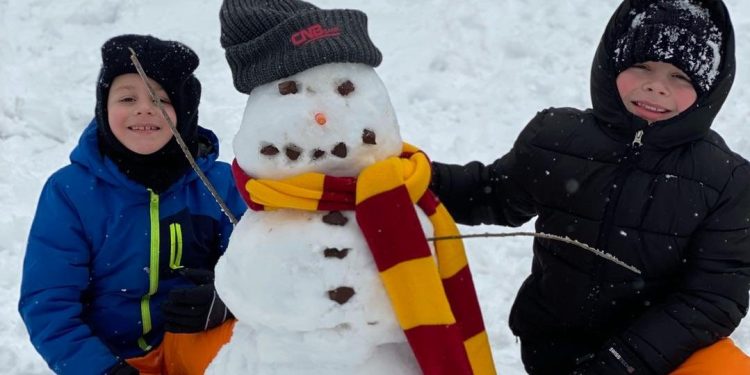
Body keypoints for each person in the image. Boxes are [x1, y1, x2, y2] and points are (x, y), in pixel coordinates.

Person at [430, 0, 750, 374]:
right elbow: (490, 193)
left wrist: (619, 364)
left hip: (658, 362)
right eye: (642, 66)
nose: (656, 87)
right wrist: (418, 178)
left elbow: (710, 299)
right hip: (554, 351)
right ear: (612, 64)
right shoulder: (557, 140)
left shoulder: (726, 180)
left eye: (680, 77)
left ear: (708, 89)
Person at [18, 34, 246, 375]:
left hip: (195, 341)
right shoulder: (70, 192)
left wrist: (225, 301)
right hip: (109, 357)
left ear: (185, 112)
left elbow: (260, 270)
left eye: (160, 98)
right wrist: (101, 369)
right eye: (127, 97)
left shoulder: (220, 185)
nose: (144, 108)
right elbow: (48, 303)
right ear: (103, 107)